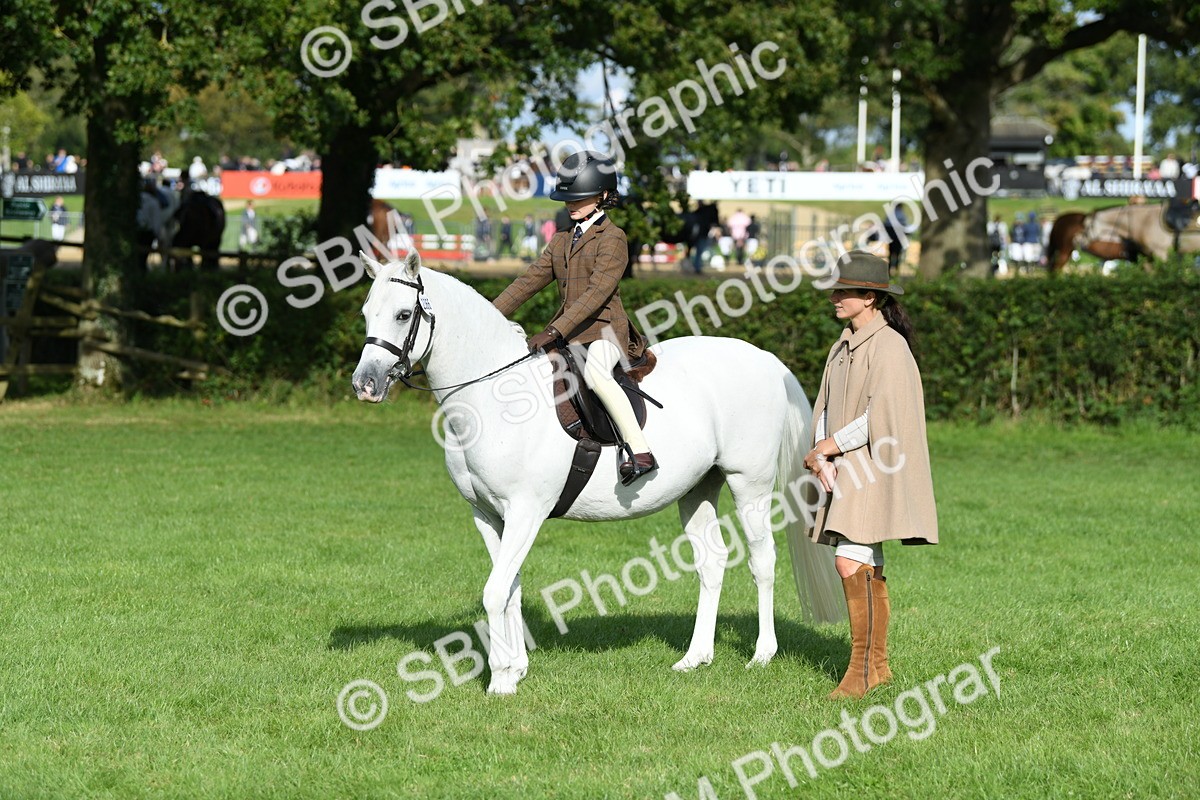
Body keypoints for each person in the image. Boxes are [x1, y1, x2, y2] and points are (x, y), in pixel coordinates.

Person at [802, 251, 938, 699]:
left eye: (844, 291)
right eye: (835, 289)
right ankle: (876, 667)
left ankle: (861, 670)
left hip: (874, 467)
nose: (835, 297)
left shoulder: (890, 347)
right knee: (865, 562)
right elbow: (825, 406)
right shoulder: (842, 345)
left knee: (848, 561)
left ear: (870, 297)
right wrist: (821, 455)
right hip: (844, 468)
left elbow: (881, 416)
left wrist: (830, 447)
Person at [492, 151, 657, 485]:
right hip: (570, 333)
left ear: (602, 196)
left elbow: (596, 294)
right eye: (568, 198)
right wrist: (488, 314)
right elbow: (528, 282)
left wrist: (554, 330)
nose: (571, 204)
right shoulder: (562, 240)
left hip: (605, 330)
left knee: (596, 374)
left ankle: (641, 451)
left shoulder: (613, 238)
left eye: (579, 198)